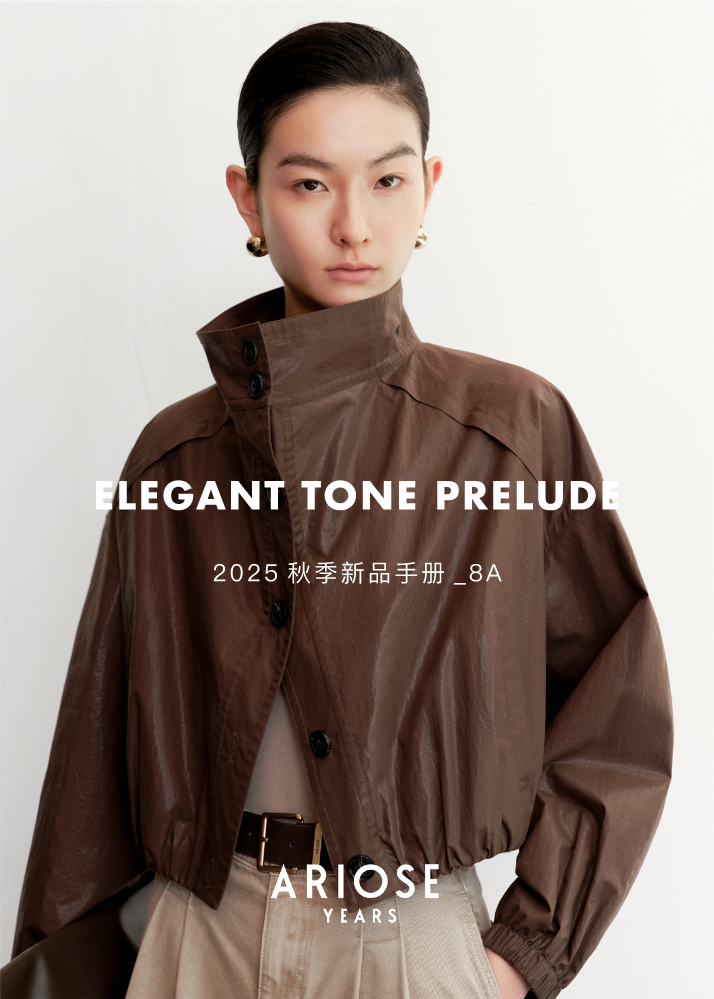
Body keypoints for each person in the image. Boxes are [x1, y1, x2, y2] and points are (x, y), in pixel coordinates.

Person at [11, 21, 672, 999]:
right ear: (249, 197)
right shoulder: (174, 454)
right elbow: (94, 750)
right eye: (311, 183)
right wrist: (53, 964)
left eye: (388, 180)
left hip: (407, 938)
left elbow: (620, 704)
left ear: (429, 187)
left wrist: (520, 956)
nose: (354, 225)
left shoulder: (512, 430)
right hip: (198, 933)